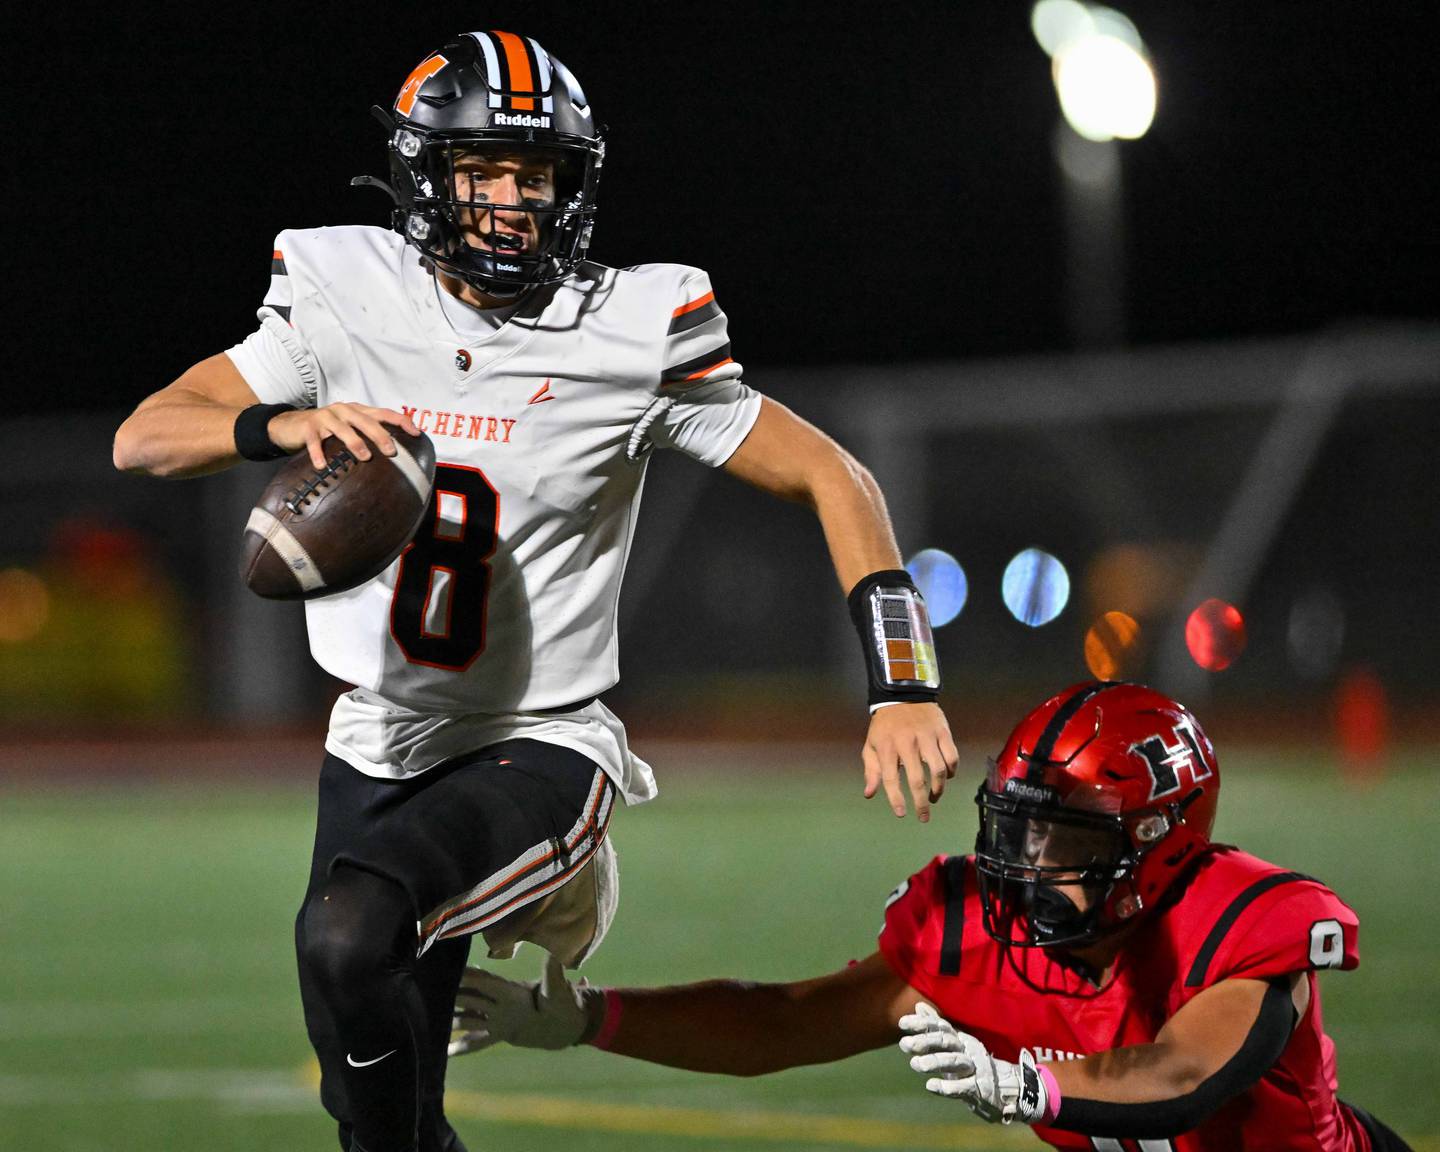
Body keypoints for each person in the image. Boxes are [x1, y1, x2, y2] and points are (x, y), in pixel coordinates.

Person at [111, 30, 959, 1152]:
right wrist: (284, 421)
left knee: (349, 933)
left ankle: (561, 873)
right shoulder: (343, 291)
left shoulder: (632, 326)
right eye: (483, 174)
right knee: (378, 1118)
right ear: (427, 178)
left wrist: (903, 684)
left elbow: (832, 473)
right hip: (377, 741)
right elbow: (144, 437)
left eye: (538, 174)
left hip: (540, 738)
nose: (513, 202)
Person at [452, 681, 1413, 1151]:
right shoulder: (975, 936)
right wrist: (595, 1020)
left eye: (1063, 839)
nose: (1022, 866)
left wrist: (1026, 1087)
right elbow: (787, 1020)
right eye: (1016, 829)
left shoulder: (1241, 920)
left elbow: (1185, 1073)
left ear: (1159, 841)